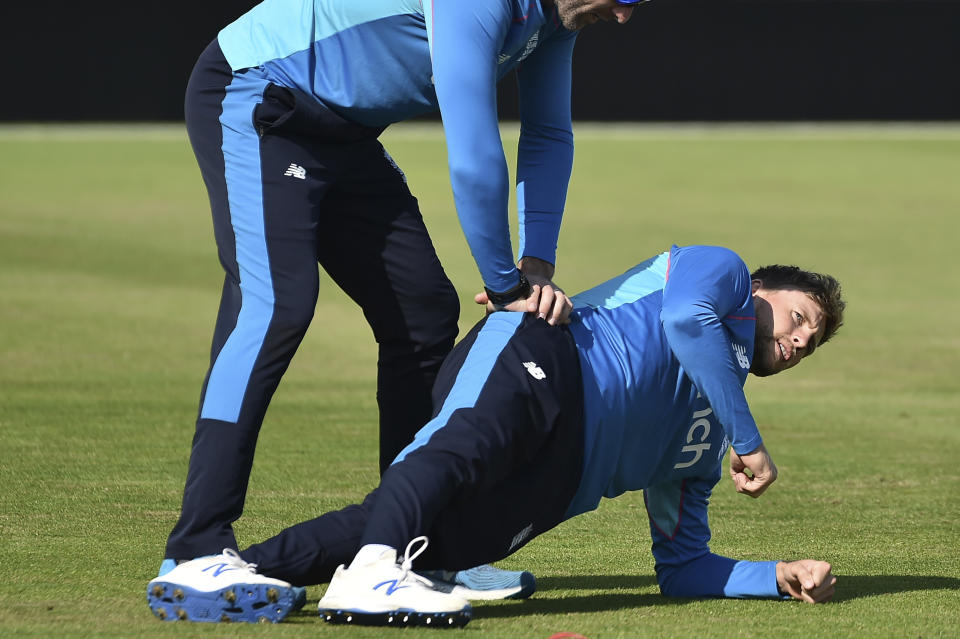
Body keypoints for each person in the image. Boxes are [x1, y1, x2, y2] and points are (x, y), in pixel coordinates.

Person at [160, 0, 644, 600]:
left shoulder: (555, 18)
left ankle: (405, 547)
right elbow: (473, 152)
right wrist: (505, 286)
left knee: (425, 312)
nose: (625, 17)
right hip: (260, 95)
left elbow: (546, 133)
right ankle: (196, 549)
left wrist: (535, 265)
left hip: (342, 131)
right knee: (275, 305)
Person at [147, 244, 845, 626]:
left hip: (560, 480)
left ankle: (236, 571)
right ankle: (369, 577)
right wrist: (746, 436)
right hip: (547, 352)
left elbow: (684, 568)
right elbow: (688, 323)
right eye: (800, 315)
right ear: (757, 289)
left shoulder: (703, 442)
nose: (802, 338)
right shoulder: (718, 271)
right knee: (459, 449)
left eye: (810, 344)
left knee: (437, 535)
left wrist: (773, 577)